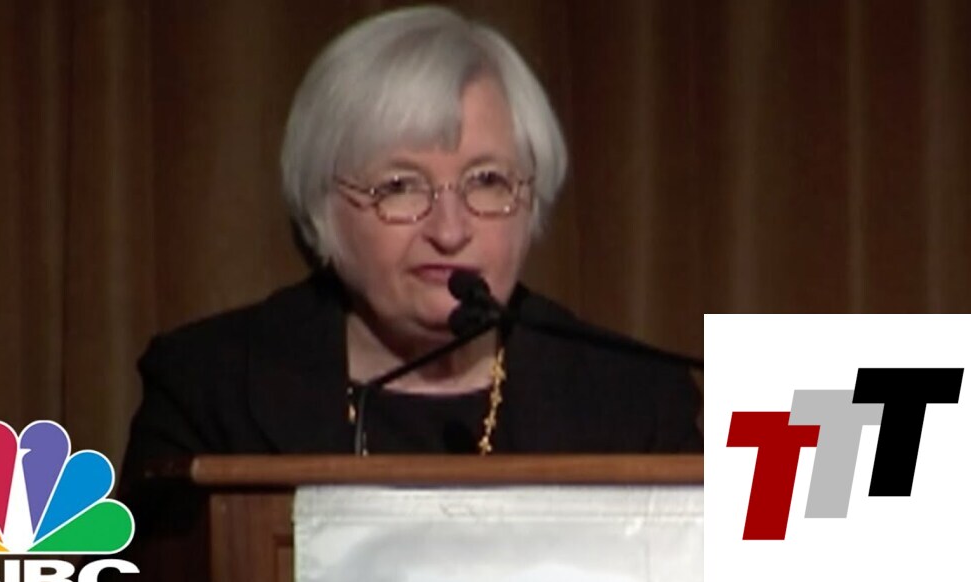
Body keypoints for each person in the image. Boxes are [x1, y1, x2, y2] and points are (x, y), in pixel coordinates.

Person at [120, 5, 701, 474]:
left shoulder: (639, 402)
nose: (449, 231)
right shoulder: (211, 392)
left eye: (487, 181)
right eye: (399, 187)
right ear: (322, 207)